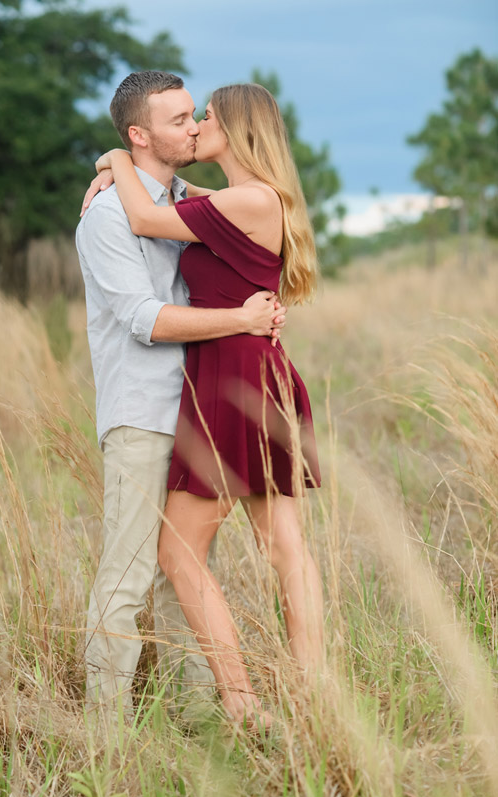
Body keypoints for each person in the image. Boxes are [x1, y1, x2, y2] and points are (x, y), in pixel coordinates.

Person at [87, 83, 325, 732]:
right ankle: (310, 699)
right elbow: (173, 202)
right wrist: (123, 166)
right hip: (255, 372)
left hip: (231, 378)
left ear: (239, 130)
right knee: (282, 546)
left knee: (181, 556)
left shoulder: (245, 200)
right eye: (187, 118)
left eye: (207, 117)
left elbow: (146, 218)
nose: (196, 127)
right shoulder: (236, 200)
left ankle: (243, 704)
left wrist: (113, 158)